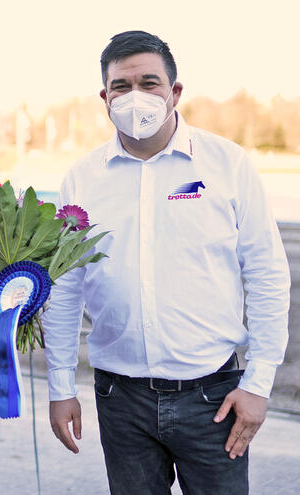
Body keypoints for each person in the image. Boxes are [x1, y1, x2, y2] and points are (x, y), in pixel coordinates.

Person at [42, 31, 291, 494]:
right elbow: (66, 287)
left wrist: (259, 383)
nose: (135, 96)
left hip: (214, 397)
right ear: (105, 97)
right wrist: (60, 387)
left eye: (149, 82)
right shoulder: (83, 177)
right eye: (121, 86)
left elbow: (268, 274)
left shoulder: (227, 164)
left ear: (175, 92)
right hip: (121, 399)